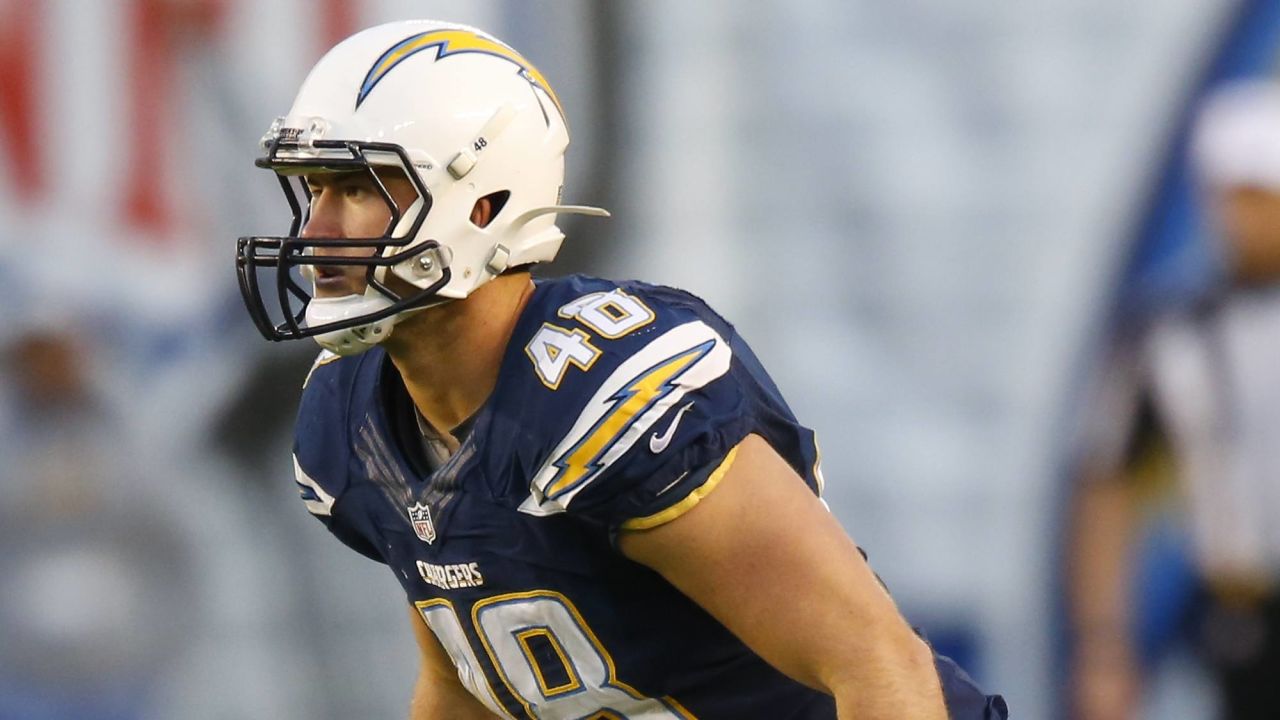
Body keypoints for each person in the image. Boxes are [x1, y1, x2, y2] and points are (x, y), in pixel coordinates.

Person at [235, 19, 1006, 719]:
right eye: (312, 189)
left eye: (356, 189)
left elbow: (880, 666)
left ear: (480, 204)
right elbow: (463, 687)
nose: (318, 230)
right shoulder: (352, 421)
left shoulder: (606, 395)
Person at [1067, 79, 1280, 720]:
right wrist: (1104, 647)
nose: (1246, 216)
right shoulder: (1169, 335)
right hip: (1241, 611)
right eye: (1234, 195)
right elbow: (1106, 483)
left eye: (1261, 196)